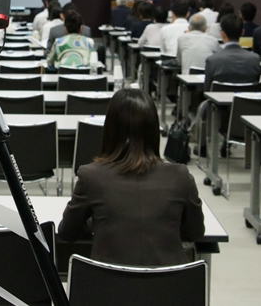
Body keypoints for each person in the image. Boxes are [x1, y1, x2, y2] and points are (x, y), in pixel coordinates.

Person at [58, 89, 204, 266]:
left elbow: (67, 232)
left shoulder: (91, 176)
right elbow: (195, 232)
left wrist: (99, 221)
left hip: (109, 288)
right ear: (153, 130)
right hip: (167, 289)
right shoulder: (181, 176)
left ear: (110, 130)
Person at [204, 14, 261, 91]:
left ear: (222, 34)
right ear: (242, 32)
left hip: (220, 102)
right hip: (247, 102)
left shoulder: (212, 60)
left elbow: (207, 90)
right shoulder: (255, 59)